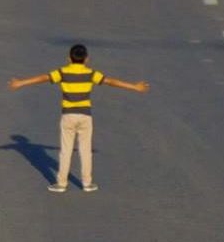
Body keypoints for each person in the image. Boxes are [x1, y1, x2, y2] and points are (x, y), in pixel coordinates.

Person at [9, 44, 149, 193]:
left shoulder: (62, 72)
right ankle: (87, 184)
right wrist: (135, 87)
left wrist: (20, 83)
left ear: (69, 58)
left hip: (68, 116)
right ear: (86, 59)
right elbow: (111, 82)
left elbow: (43, 78)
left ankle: (61, 184)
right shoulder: (91, 73)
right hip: (85, 116)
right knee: (85, 150)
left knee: (65, 150)